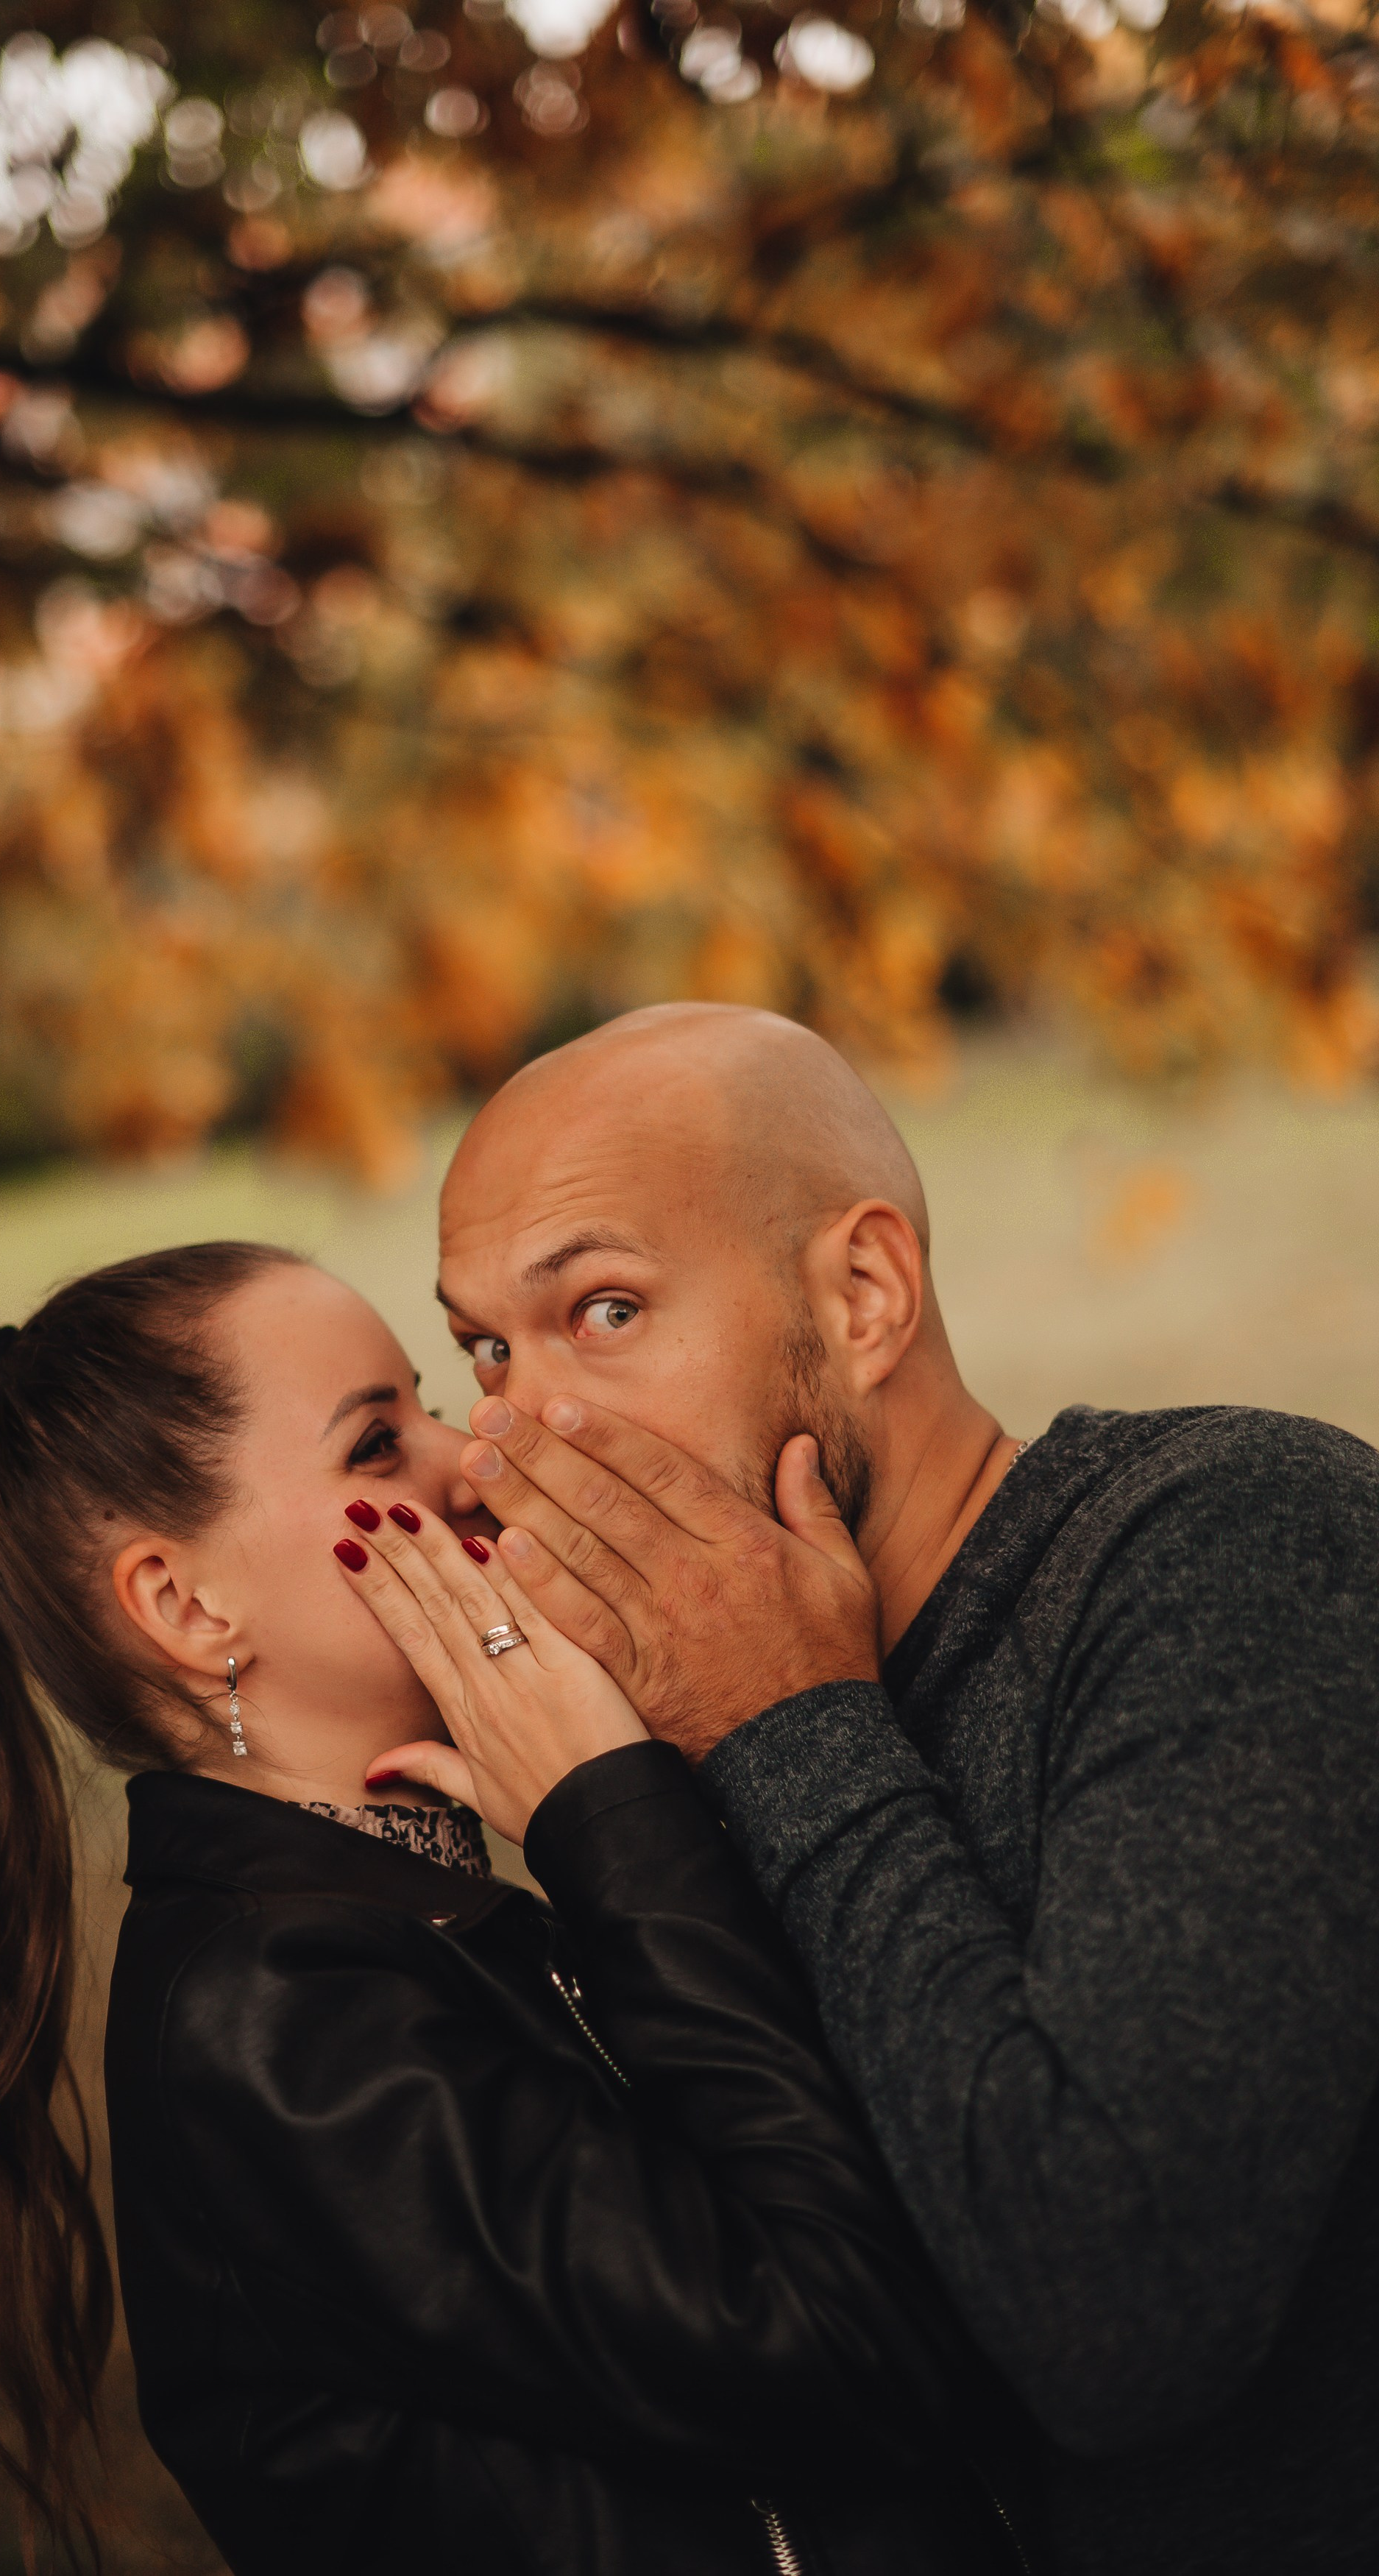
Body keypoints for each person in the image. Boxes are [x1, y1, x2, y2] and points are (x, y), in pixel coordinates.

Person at [0, 1241, 1038, 2576]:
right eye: (375, 1444)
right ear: (185, 1604)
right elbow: (842, 2345)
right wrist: (614, 1815)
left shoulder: (410, 1913)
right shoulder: (279, 2021)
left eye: (426, 1401)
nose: (475, 1452)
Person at [390, 1000, 1379, 2576]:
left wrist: (786, 1718)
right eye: (484, 1348)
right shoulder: (692, 1753)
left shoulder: (1234, 1539)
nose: (506, 1437)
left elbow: (1115, 2319)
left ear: (860, 1296)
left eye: (606, 1309)